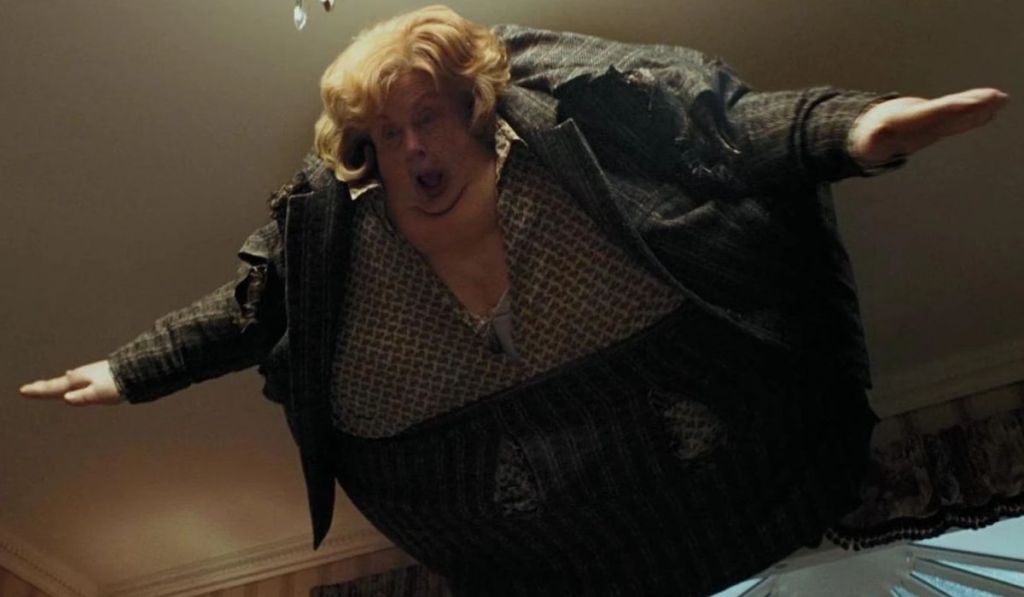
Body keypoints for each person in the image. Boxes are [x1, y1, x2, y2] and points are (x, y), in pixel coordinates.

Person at [19, 5, 1008, 596]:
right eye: (387, 132)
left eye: (427, 117)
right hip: (504, 511)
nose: (413, 147)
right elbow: (249, 308)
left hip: (710, 447)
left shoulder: (562, 155)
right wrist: (127, 371)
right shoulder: (340, 240)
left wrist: (853, 131)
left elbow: (717, 129)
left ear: (472, 111)